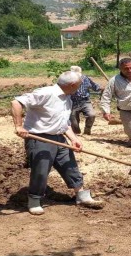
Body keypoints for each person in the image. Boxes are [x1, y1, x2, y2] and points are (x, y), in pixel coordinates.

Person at [11, 71, 103, 215]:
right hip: (39, 138)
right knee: (41, 171)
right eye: (79, 85)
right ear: (72, 85)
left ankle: (81, 195)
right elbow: (16, 102)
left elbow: (64, 123)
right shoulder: (46, 93)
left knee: (70, 165)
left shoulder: (67, 98)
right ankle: (34, 200)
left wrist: (74, 139)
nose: (80, 87)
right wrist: (18, 125)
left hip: (59, 138)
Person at [68, 65, 101, 135]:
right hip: (73, 102)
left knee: (91, 115)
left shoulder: (85, 78)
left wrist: (101, 89)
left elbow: (95, 86)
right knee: (74, 122)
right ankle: (77, 132)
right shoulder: (68, 80)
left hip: (85, 101)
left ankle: (87, 129)